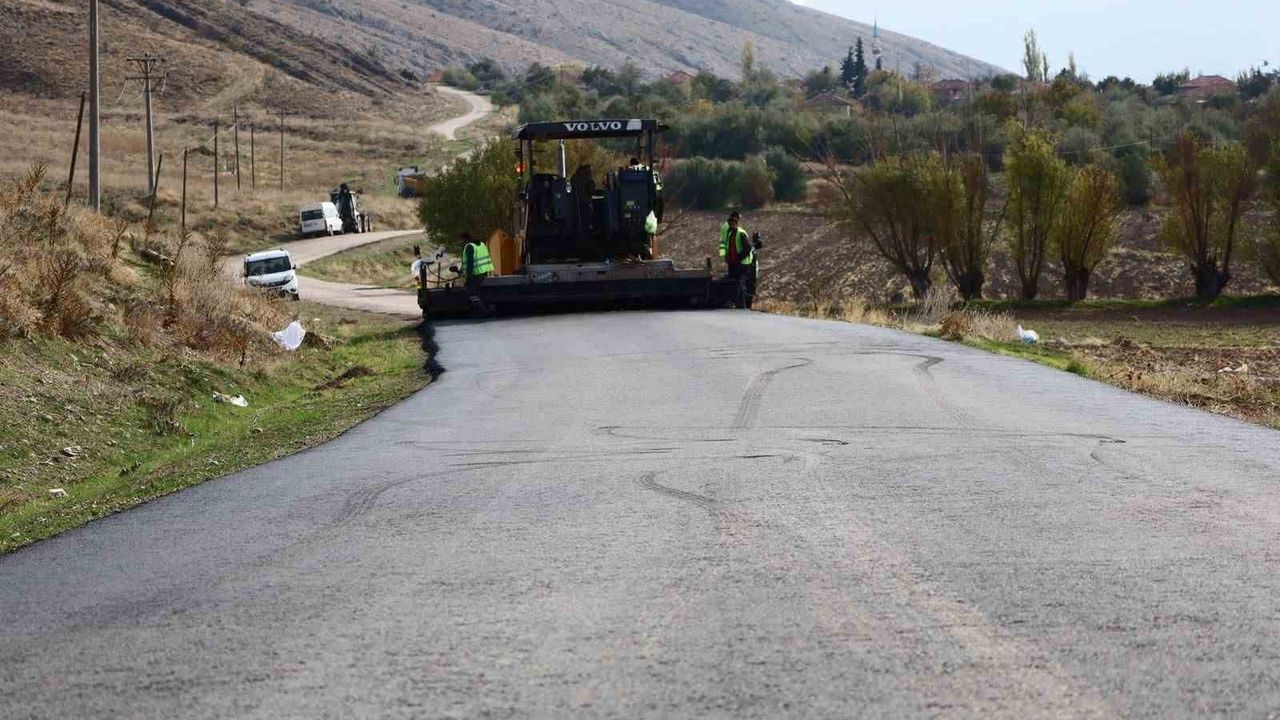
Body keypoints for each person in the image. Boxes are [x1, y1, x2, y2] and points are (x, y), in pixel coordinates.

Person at [718, 211, 755, 307]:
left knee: (739, 284)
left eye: (732, 223)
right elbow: (727, 245)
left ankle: (741, 306)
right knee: (737, 284)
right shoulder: (732, 232)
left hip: (741, 263)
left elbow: (747, 248)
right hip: (736, 262)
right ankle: (739, 305)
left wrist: (731, 258)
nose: (731, 225)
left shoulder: (739, 233)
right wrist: (730, 258)